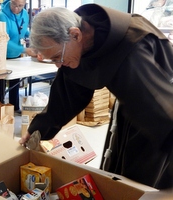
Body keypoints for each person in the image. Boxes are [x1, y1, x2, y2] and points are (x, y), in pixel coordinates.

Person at [19, 4, 173, 189]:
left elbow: (161, 115)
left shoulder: (130, 48)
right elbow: (66, 96)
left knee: (140, 177)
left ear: (75, 35)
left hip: (161, 101)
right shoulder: (77, 42)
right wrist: (37, 129)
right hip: (134, 99)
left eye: (58, 57)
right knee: (116, 165)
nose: (58, 66)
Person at [0, 0, 37, 113]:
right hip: (2, 55)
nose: (16, 8)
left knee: (15, 83)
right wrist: (24, 49)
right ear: (10, 1)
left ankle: (14, 108)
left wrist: (33, 36)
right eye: (14, 5)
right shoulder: (2, 16)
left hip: (16, 54)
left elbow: (23, 30)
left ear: (24, 5)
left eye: (20, 6)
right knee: (0, 86)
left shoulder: (25, 14)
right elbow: (4, 40)